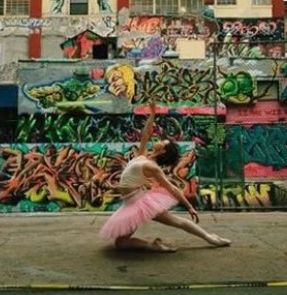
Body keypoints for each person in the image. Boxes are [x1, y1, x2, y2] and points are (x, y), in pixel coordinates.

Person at [99, 102, 231, 252]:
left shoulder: (151, 167)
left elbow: (171, 187)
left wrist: (189, 206)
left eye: (162, 142)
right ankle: (152, 246)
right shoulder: (143, 155)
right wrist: (153, 113)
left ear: (162, 151)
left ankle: (211, 238)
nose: (159, 140)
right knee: (121, 243)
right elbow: (146, 134)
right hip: (130, 204)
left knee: (176, 221)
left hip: (140, 202)